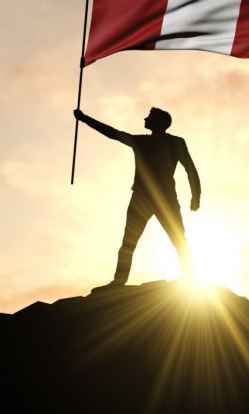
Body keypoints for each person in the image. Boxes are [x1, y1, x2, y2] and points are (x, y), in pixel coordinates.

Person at [74, 107, 200, 288]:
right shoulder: (145, 141)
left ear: (157, 122)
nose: (145, 118)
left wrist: (196, 196)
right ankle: (119, 281)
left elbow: (190, 169)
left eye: (149, 117)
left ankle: (189, 279)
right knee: (132, 241)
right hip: (148, 198)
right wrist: (85, 119)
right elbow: (113, 134)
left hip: (157, 199)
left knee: (175, 239)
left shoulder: (170, 142)